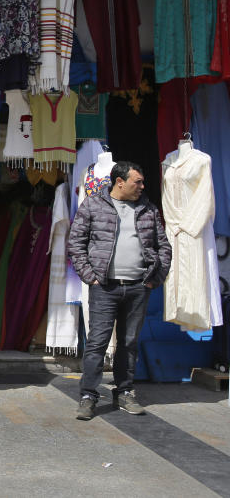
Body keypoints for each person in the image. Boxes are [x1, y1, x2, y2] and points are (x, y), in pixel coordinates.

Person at [67, 161, 171, 420]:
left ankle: (124, 392)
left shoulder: (148, 208)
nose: (142, 186)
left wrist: (154, 278)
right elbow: (75, 242)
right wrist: (90, 277)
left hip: (138, 286)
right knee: (97, 343)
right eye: (138, 181)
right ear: (119, 182)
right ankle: (88, 395)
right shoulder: (93, 205)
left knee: (129, 343)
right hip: (105, 287)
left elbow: (164, 247)